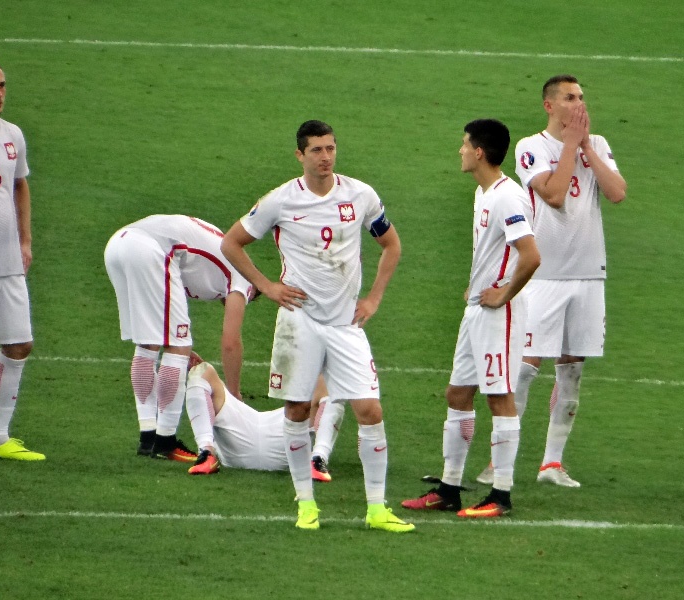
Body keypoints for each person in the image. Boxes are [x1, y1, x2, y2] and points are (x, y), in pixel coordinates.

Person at [221, 119, 413, 533]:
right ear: (300, 155)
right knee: (296, 409)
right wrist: (267, 286)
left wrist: (374, 298)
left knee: (370, 409)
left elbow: (391, 244)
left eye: (331, 148)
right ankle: (306, 505)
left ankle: (377, 509)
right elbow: (230, 242)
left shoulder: (360, 195)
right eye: (316, 151)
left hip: (346, 324)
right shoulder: (280, 201)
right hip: (300, 321)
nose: (326, 157)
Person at [477, 74, 627, 488]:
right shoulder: (530, 148)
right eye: (568, 97)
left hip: (588, 272)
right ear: (549, 106)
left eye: (581, 96)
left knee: (572, 370)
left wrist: (585, 148)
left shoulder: (596, 144)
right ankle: (498, 462)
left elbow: (617, 193)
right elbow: (556, 194)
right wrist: (568, 147)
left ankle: (552, 464)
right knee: (526, 367)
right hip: (544, 276)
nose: (578, 103)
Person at [402, 119, 540, 518]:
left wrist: (503, 292)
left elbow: (531, 255)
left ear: (479, 152)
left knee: (500, 398)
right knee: (458, 394)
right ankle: (449, 488)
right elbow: (495, 251)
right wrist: (477, 284)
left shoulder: (507, 198)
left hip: (500, 313)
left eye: (464, 145)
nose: (460, 150)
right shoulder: (484, 194)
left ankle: (501, 495)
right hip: (476, 311)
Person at [104, 214, 255, 461]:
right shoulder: (243, 279)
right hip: (151, 249)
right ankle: (166, 440)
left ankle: (147, 437)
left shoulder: (218, 244)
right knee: (179, 345)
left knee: (148, 344)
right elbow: (230, 341)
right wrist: (234, 394)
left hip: (118, 244)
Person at [0, 56, 43, 465]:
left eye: (2, 86)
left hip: (8, 260)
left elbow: (20, 187)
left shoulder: (12, 135)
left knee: (19, 345)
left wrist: (26, 240)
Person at [183, 362, 337, 476]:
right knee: (201, 370)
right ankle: (206, 453)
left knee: (331, 378)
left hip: (283, 438)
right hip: (278, 439)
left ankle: (318, 459)